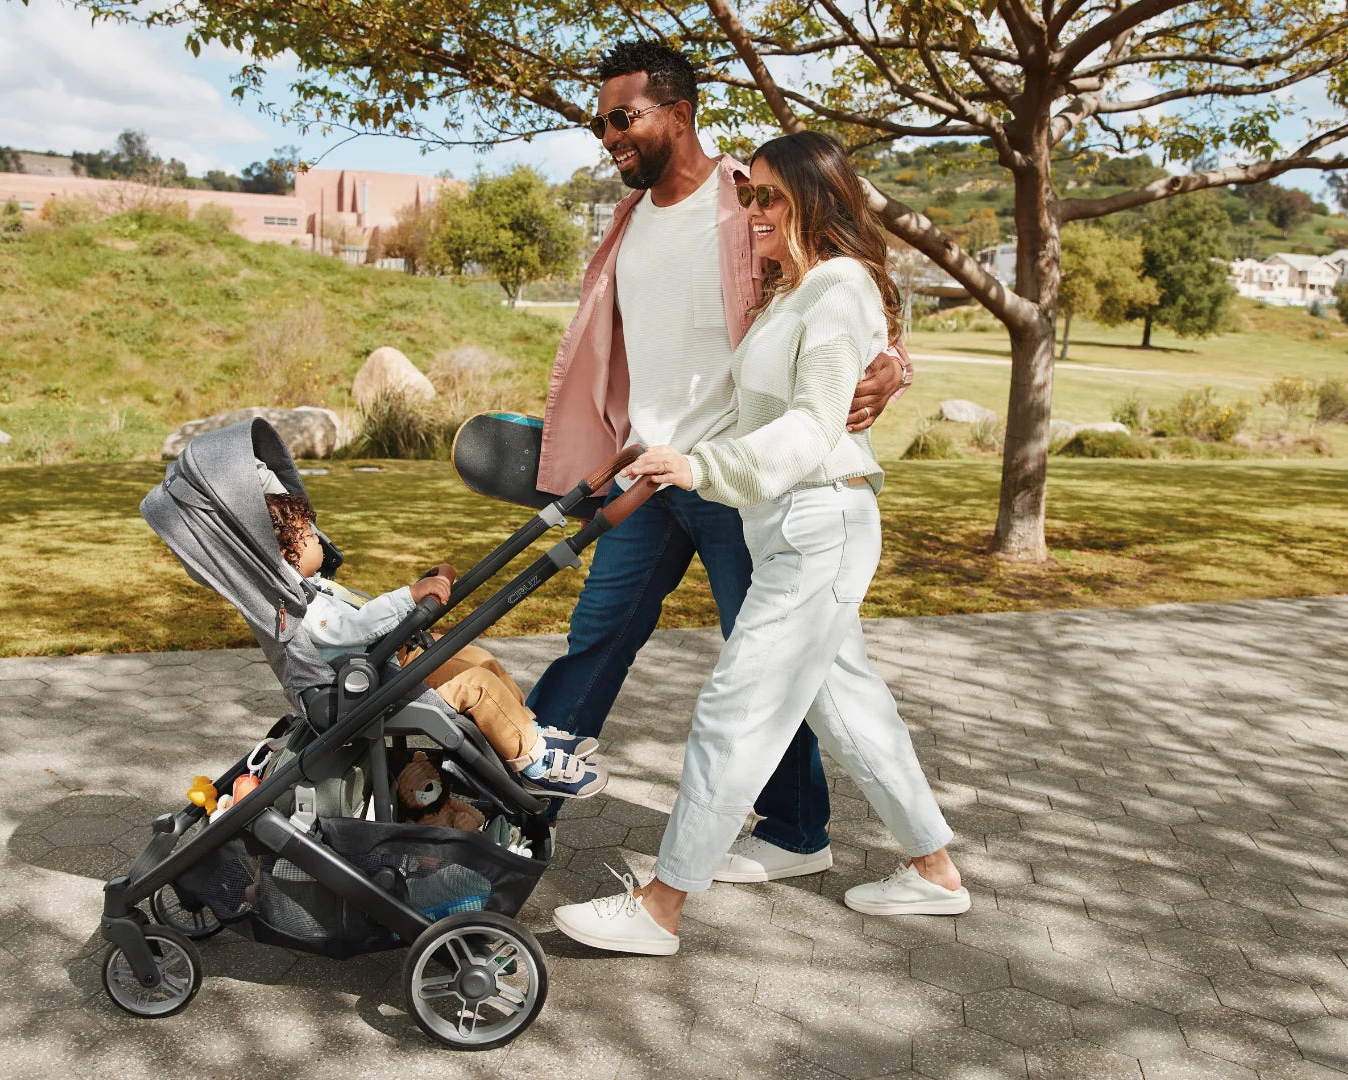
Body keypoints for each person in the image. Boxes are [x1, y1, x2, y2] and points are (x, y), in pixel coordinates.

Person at [552, 132, 968, 956]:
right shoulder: (793, 294)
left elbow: (813, 431)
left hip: (819, 519)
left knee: (735, 707)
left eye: (769, 197)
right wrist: (653, 449)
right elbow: (739, 406)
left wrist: (701, 466)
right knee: (848, 706)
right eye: (748, 197)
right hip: (787, 522)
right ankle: (933, 871)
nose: (752, 212)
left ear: (818, 201)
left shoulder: (840, 288)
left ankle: (660, 906)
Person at [528, 40, 913, 881]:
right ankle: (510, 809)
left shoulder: (750, 200)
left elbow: (851, 288)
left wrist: (892, 364)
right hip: (648, 472)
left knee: (768, 661)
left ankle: (793, 831)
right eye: (599, 124)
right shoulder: (624, 224)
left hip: (740, 477)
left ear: (679, 112)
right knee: (594, 639)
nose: (607, 137)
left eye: (621, 118)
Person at [260, 488, 607, 799]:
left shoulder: (317, 589)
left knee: (478, 659)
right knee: (478, 685)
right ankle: (534, 764)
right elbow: (355, 626)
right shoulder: (301, 607)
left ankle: (529, 731)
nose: (319, 539)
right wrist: (409, 596)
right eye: (308, 534)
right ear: (286, 553)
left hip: (395, 655)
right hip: (380, 678)